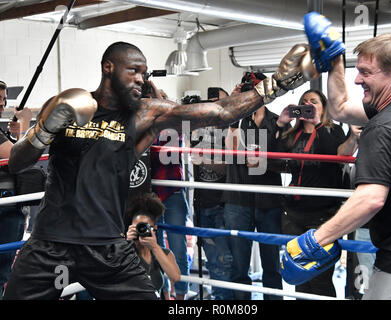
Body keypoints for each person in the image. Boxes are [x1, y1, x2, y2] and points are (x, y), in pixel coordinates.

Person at [3, 41, 313, 300]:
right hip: (50, 242)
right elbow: (18, 162)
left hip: (107, 245)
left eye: (144, 73)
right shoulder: (69, 104)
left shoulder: (145, 114)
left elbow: (219, 114)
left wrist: (273, 86)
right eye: (133, 71)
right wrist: (43, 130)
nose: (141, 78)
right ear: (108, 67)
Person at [282, 13, 391, 300]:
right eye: (356, 70)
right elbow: (341, 108)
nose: (358, 79)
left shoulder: (384, 126)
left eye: (366, 73)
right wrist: (336, 61)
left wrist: (317, 239)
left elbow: (370, 198)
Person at [276, 89, 360, 297]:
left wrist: (317, 124)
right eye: (304, 102)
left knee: (320, 278)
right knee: (299, 276)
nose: (308, 105)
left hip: (322, 213)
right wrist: (280, 123)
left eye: (314, 102)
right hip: (294, 212)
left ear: (323, 108)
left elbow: (332, 155)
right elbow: (273, 157)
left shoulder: (333, 131)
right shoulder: (292, 134)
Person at [222, 72, 285, 300]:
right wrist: (233, 104)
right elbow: (229, 153)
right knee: (239, 267)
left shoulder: (278, 121)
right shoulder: (234, 121)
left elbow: (287, 162)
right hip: (238, 200)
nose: (255, 93)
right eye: (250, 89)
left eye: (258, 88)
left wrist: (265, 162)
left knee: (272, 267)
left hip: (269, 201)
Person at [190, 87, 233, 300]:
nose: (216, 106)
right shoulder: (196, 128)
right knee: (213, 259)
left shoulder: (233, 129)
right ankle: (219, 298)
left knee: (225, 259)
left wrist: (205, 160)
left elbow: (233, 166)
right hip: (202, 202)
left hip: (224, 204)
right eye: (212, 102)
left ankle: (226, 300)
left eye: (222, 103)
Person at [0, 80, 33, 299]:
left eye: (3, 99)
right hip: (4, 209)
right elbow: (17, 159)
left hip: (7, 207)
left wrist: (15, 134)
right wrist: (25, 125)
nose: (2, 105)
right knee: (2, 272)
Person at [150, 129, 191, 300]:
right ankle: (164, 295)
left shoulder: (173, 123)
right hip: (150, 194)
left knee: (178, 247)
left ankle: (181, 298)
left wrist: (145, 145)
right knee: (155, 247)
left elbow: (166, 154)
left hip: (172, 191)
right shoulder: (143, 118)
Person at [126, 193, 181, 296]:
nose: (141, 230)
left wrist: (155, 247)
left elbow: (175, 277)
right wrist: (127, 244)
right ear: (131, 227)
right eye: (138, 227)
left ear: (154, 228)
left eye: (145, 227)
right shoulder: (124, 250)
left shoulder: (163, 253)